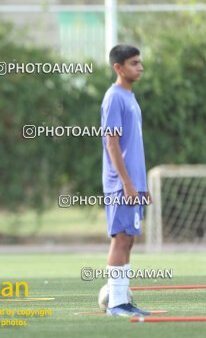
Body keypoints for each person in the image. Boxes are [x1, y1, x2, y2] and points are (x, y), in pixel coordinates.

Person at [101, 44, 151, 317]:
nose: (139, 67)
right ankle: (116, 303)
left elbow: (133, 147)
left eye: (139, 62)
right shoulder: (114, 97)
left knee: (129, 239)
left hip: (133, 183)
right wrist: (127, 184)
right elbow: (111, 144)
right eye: (133, 63)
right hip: (121, 184)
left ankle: (123, 299)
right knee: (120, 238)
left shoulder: (131, 97)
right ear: (118, 68)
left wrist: (141, 185)